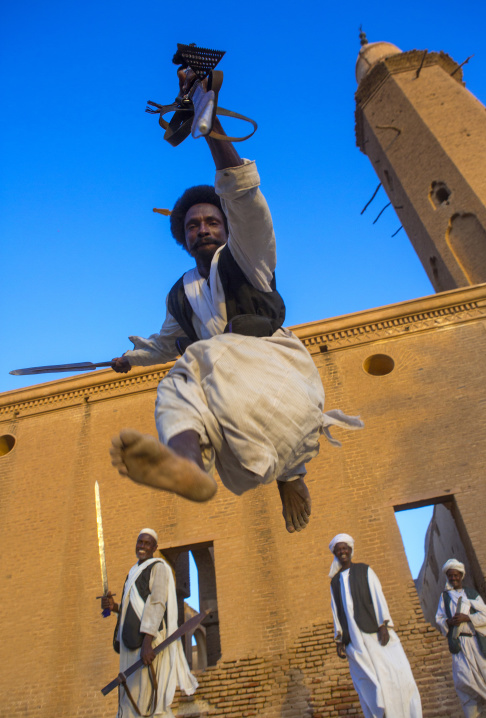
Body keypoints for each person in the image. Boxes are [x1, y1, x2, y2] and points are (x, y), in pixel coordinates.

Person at [109, 68, 363, 533]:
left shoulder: (249, 256)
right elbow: (164, 345)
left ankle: (278, 470)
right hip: (233, 405)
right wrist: (129, 359)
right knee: (180, 381)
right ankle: (189, 464)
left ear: (226, 228)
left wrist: (212, 129)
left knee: (193, 366)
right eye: (192, 225)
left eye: (211, 221)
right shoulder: (180, 293)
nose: (203, 228)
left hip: (279, 376)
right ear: (183, 238)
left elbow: (244, 198)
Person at [102, 529, 197, 718]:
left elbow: (156, 603)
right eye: (140, 542)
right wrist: (114, 608)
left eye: (147, 543)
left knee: (144, 695)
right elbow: (135, 609)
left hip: (148, 642)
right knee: (128, 697)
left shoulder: (159, 567)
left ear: (154, 547)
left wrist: (147, 643)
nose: (142, 547)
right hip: (130, 644)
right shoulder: (133, 572)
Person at [329, 533, 422, 718]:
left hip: (373, 630)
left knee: (392, 674)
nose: (342, 552)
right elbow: (335, 610)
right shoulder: (334, 581)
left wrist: (383, 624)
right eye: (339, 549)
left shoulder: (365, 570)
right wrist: (339, 638)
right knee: (367, 681)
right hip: (353, 639)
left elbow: (377, 596)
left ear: (350, 550)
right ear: (336, 553)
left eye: (345, 548)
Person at [435, 559, 486, 718]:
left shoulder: (472, 594)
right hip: (461, 647)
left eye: (456, 575)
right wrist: (449, 621)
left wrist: (468, 618)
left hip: (478, 643)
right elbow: (439, 618)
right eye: (450, 575)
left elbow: (485, 615)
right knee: (464, 683)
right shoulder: (445, 597)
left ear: (461, 576)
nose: (453, 578)